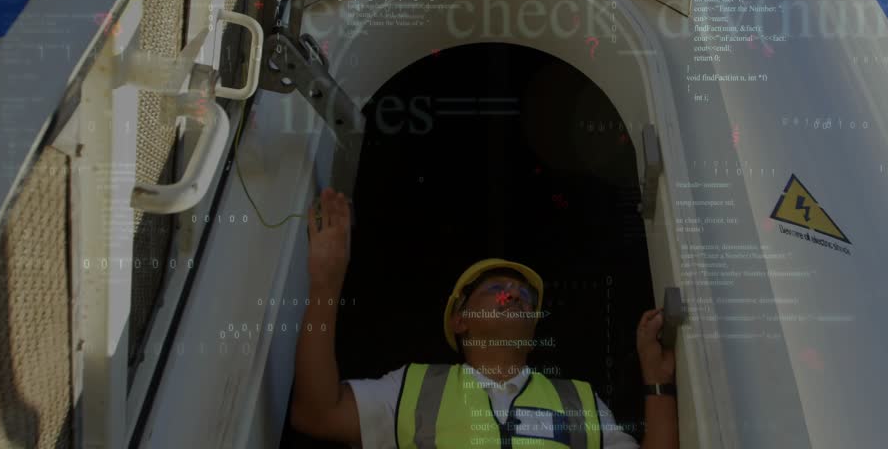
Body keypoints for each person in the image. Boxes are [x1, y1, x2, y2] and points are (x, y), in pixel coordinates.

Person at [290, 187, 680, 449]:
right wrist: (326, 284)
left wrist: (657, 382)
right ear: (460, 320)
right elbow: (317, 414)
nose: (515, 296)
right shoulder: (413, 387)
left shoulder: (580, 400)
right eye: (495, 290)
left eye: (526, 296)